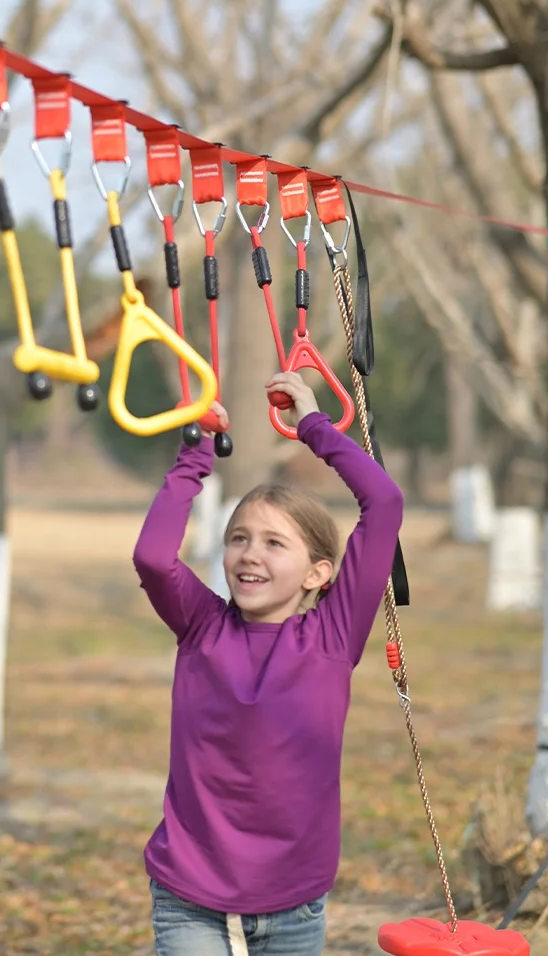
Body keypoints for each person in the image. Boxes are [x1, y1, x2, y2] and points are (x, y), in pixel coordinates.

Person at [132, 371, 404, 956]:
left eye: (274, 544)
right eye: (238, 539)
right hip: (189, 898)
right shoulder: (202, 625)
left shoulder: (332, 636)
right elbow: (154, 558)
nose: (250, 554)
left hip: (292, 904)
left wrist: (312, 425)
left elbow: (383, 502)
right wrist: (195, 454)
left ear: (318, 574)